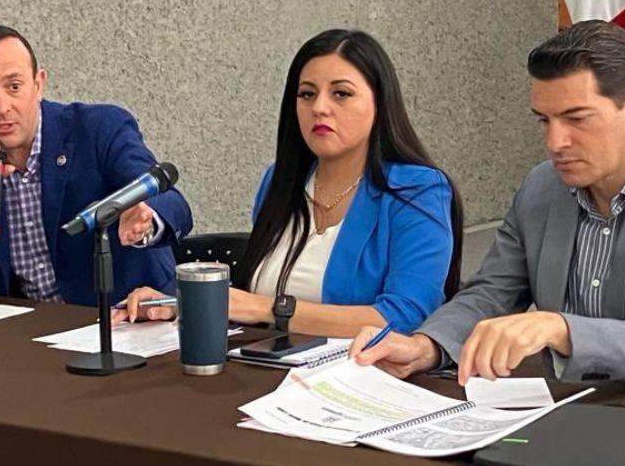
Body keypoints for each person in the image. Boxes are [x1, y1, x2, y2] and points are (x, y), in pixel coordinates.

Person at [353, 20, 625, 389]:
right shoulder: (541, 188)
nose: (555, 142)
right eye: (544, 121)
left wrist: (559, 328)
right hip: (574, 414)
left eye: (576, 119)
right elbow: (491, 294)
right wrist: (425, 346)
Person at [120, 29, 461, 338]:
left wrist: (265, 309)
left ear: (379, 102)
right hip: (267, 370)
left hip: (360, 382)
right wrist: (176, 302)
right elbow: (243, 304)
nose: (320, 108)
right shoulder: (279, 181)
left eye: (341, 94)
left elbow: (405, 316)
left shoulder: (417, 190)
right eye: (307, 94)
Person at [0, 24, 192, 306]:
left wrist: (146, 220)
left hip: (124, 320)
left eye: (14, 86)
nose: (0, 106)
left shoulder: (99, 129)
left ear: (38, 84)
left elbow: (173, 203)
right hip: (31, 335)